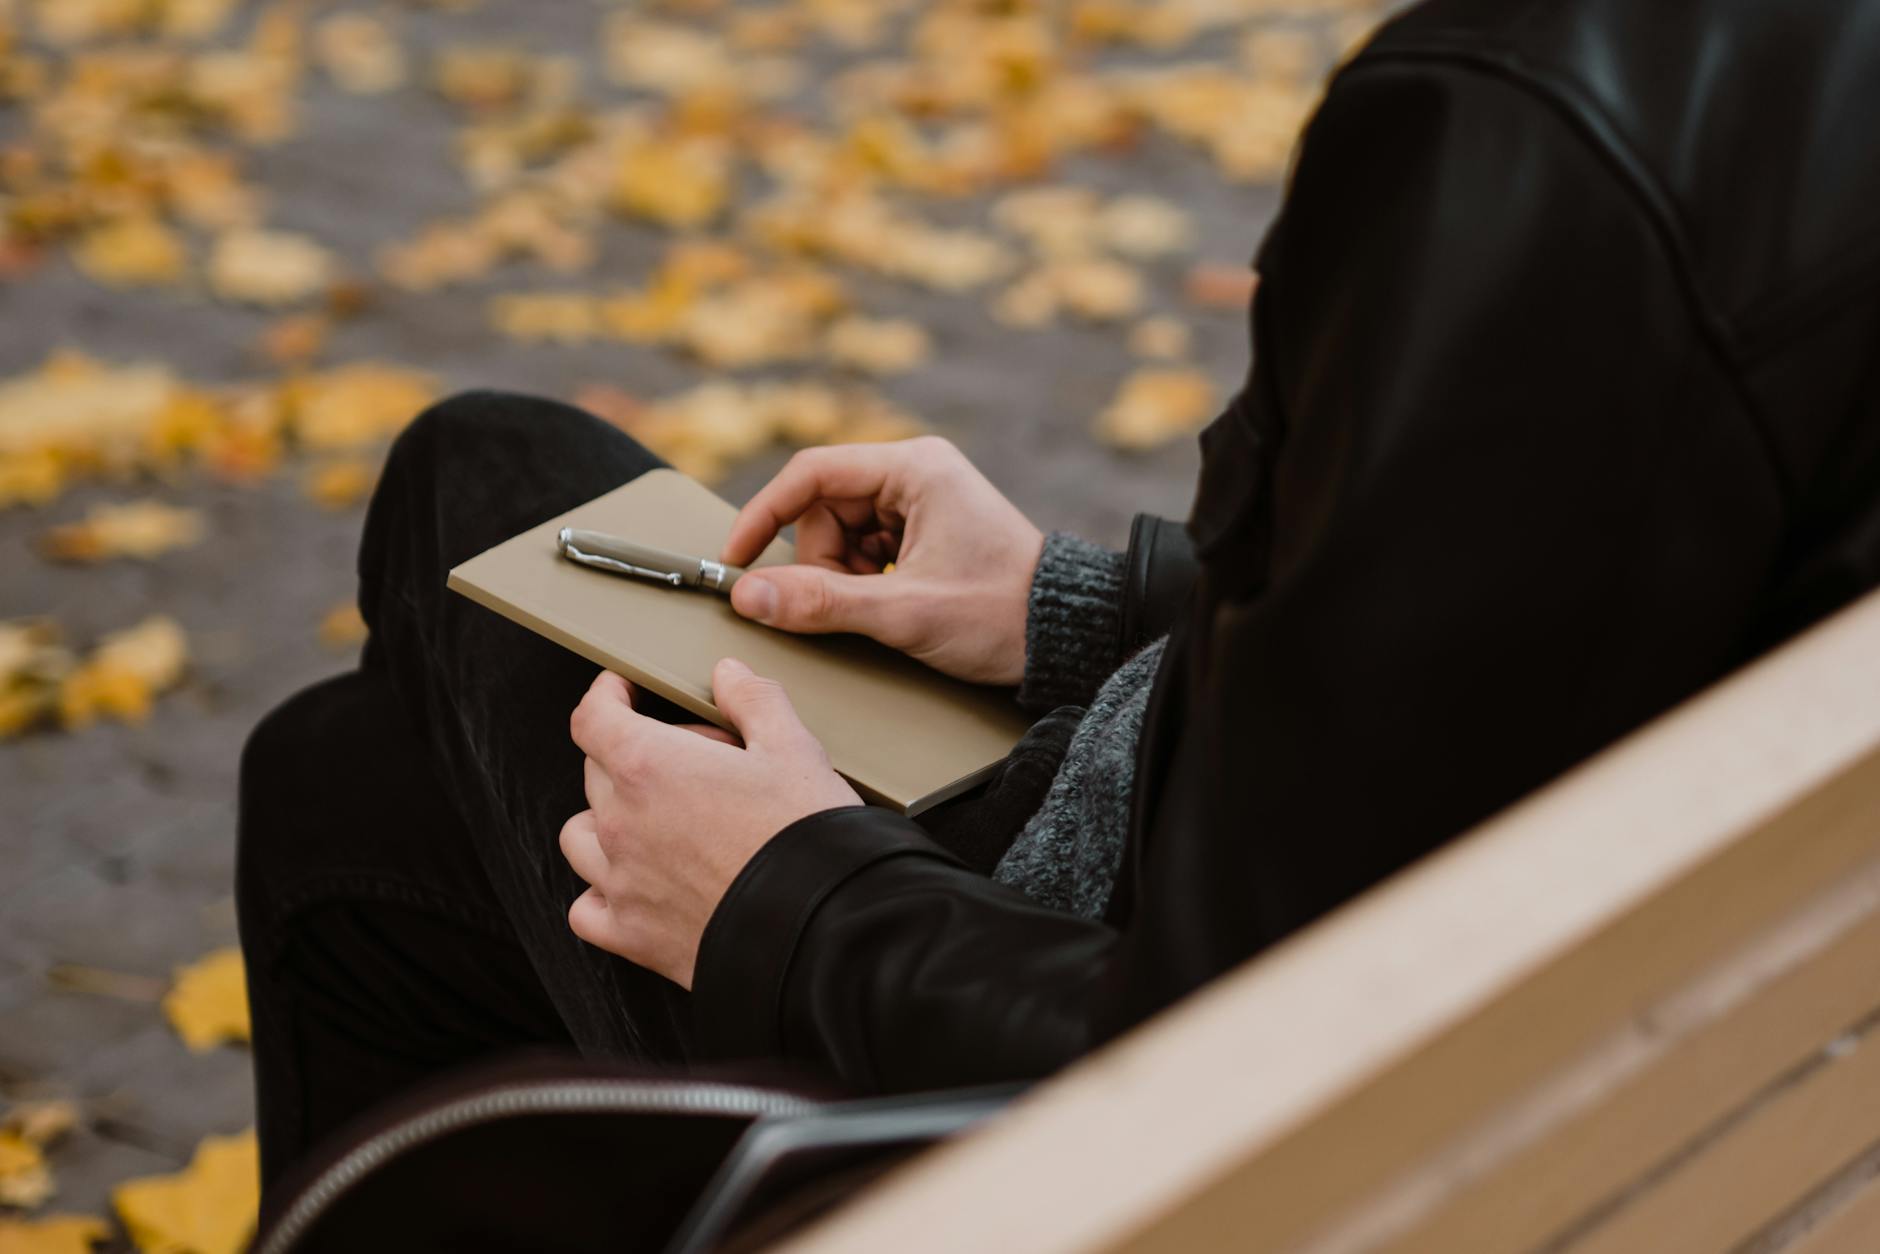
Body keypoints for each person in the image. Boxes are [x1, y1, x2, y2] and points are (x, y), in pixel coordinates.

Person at [236, 0, 1880, 1193]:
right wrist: (1080, 603)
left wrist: (788, 900)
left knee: (480, 471)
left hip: (1067, 1118)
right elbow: (1548, 631)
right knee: (341, 794)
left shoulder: (1542, 139)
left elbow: (1245, 1059)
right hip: (1639, 1052)